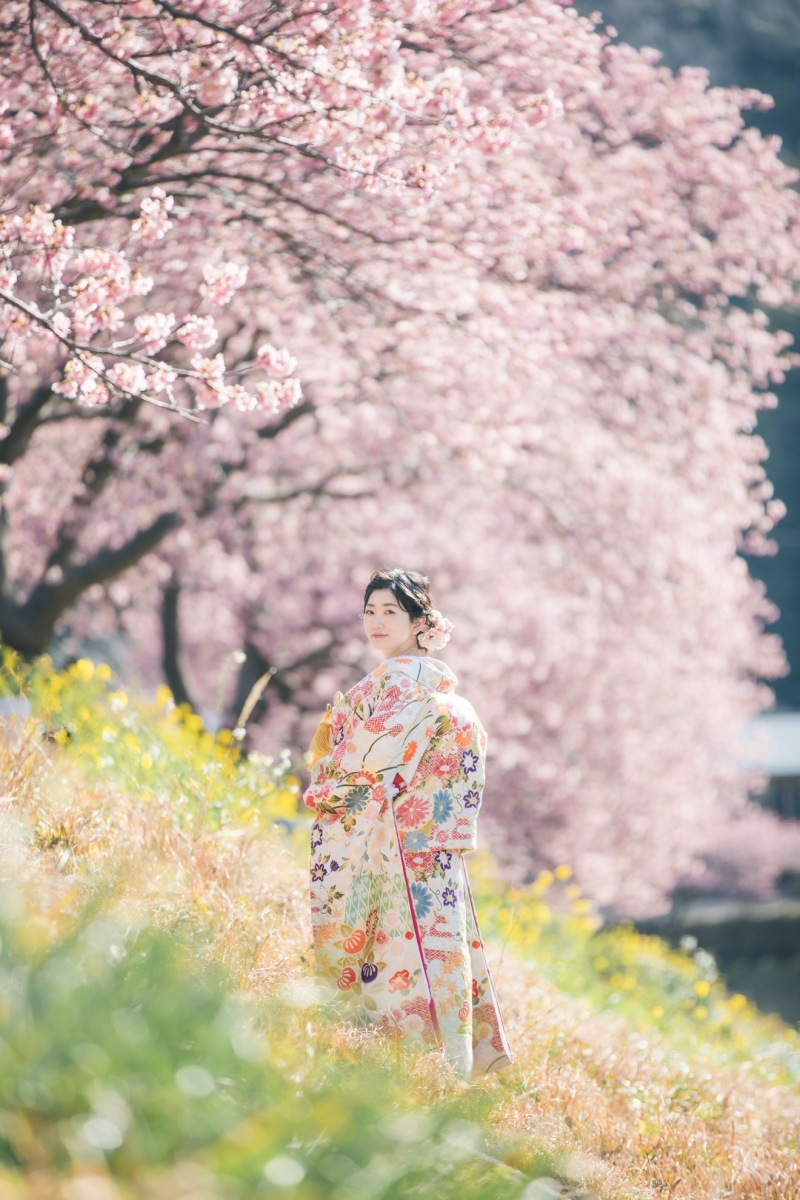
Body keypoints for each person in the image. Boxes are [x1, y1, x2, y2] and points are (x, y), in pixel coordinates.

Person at [303, 567, 512, 1077]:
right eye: (369, 611)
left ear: (422, 622)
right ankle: (450, 1069)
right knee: (439, 953)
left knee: (388, 956)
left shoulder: (389, 694)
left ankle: (395, 1072)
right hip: (437, 857)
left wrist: (323, 780)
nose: (376, 622)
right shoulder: (454, 703)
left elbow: (353, 774)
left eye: (390, 612)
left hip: (388, 850)